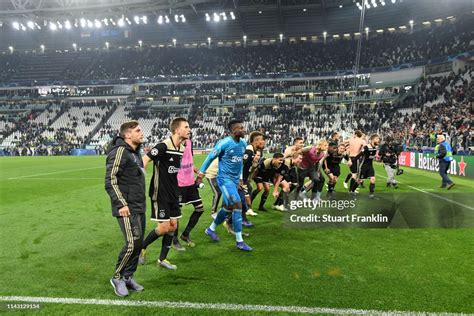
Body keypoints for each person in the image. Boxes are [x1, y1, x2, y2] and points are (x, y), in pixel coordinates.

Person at [139, 117, 190, 270]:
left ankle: (162, 259)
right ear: (177, 130)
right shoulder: (163, 146)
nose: (189, 130)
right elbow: (145, 159)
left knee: (173, 226)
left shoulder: (181, 148)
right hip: (160, 192)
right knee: (163, 228)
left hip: (173, 193)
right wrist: (139, 176)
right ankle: (141, 248)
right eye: (186, 127)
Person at [196, 119, 252, 251]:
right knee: (237, 205)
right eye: (241, 128)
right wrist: (200, 174)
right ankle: (239, 241)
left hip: (234, 180)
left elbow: (239, 164)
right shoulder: (225, 143)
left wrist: (240, 178)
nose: (243, 130)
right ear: (233, 130)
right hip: (224, 180)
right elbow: (210, 157)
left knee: (228, 208)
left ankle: (211, 229)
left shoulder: (243, 143)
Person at [105, 120, 146, 297]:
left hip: (138, 205)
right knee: (131, 244)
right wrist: (121, 203)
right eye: (137, 130)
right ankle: (117, 277)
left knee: (138, 244)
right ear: (127, 135)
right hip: (126, 207)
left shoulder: (135, 153)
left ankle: (128, 276)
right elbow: (111, 180)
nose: (141, 133)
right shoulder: (120, 151)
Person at [175, 138, 205, 248]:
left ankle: (185, 234)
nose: (189, 131)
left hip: (190, 183)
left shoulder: (189, 143)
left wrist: (197, 171)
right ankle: (174, 240)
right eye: (186, 128)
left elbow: (189, 161)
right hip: (178, 184)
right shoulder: (173, 144)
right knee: (176, 214)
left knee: (200, 209)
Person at [242, 131, 266, 217]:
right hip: (238, 178)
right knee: (242, 196)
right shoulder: (249, 150)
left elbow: (250, 168)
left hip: (244, 178)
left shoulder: (254, 151)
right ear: (256, 141)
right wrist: (240, 180)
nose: (264, 142)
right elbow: (240, 165)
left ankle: (245, 212)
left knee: (248, 190)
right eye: (262, 140)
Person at [350, 134, 380, 198]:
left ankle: (371, 194)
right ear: (372, 140)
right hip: (363, 166)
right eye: (377, 139)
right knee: (359, 181)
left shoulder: (375, 147)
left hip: (370, 166)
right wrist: (352, 161)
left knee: (373, 179)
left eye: (378, 139)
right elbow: (359, 155)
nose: (378, 140)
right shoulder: (366, 147)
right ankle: (352, 191)